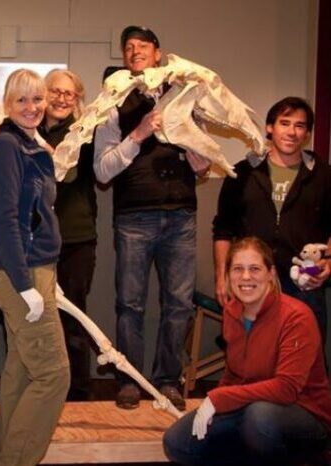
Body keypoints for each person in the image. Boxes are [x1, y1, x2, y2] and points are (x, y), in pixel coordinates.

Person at [93, 26, 210, 410]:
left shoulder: (185, 98)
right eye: (128, 47)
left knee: (178, 303)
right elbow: (103, 171)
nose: (134, 51)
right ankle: (130, 379)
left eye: (142, 45)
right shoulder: (112, 104)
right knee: (131, 304)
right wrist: (139, 134)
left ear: (158, 54)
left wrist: (195, 154)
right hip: (133, 218)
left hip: (181, 217)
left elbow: (204, 164)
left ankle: (167, 380)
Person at [163, 237, 331, 466]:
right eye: (237, 269)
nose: (245, 277)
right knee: (177, 441)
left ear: (270, 274)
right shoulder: (232, 312)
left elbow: (286, 389)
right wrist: (214, 405)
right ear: (228, 275)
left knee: (259, 420)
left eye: (255, 269)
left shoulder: (296, 317)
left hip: (303, 415)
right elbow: (234, 374)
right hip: (251, 408)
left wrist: (218, 399)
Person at [0, 68, 70, 466]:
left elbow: (37, 213)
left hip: (39, 269)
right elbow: (4, 221)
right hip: (23, 273)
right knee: (53, 374)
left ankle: (4, 455)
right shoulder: (5, 147)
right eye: (22, 100)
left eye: (37, 99)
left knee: (21, 370)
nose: (32, 107)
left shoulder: (32, 145)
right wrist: (25, 284)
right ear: (7, 104)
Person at [213, 97, 331, 344]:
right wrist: (222, 276)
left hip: (304, 280)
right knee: (253, 361)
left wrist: (329, 263)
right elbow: (223, 230)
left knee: (306, 364)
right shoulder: (242, 173)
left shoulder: (323, 176)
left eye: (299, 126)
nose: (291, 132)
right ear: (269, 128)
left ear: (307, 133)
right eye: (284, 123)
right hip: (251, 280)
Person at [37, 68, 96, 401]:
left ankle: (77, 392)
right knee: (39, 317)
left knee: (73, 316)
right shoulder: (25, 131)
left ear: (77, 99)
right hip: (38, 241)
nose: (60, 98)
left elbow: (66, 175)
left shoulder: (83, 135)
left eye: (68, 94)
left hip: (75, 239)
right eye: (54, 92)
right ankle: (46, 387)